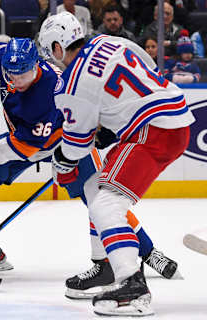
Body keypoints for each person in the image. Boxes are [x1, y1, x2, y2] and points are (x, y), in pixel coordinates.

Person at [0, 37, 179, 297]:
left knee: (97, 197)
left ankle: (148, 251)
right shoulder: (6, 55)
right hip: (22, 136)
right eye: (11, 75)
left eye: (23, 75)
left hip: (65, 142)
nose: (15, 81)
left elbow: (27, 145)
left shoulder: (50, 90)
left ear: (36, 66)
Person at [39, 11, 194, 316]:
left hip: (153, 129)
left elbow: (75, 145)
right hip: (171, 112)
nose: (54, 61)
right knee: (94, 186)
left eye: (51, 54)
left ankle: (132, 286)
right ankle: (106, 266)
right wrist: (113, 121)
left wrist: (61, 161)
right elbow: (147, 68)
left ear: (58, 48)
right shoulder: (107, 41)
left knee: (105, 206)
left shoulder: (72, 83)